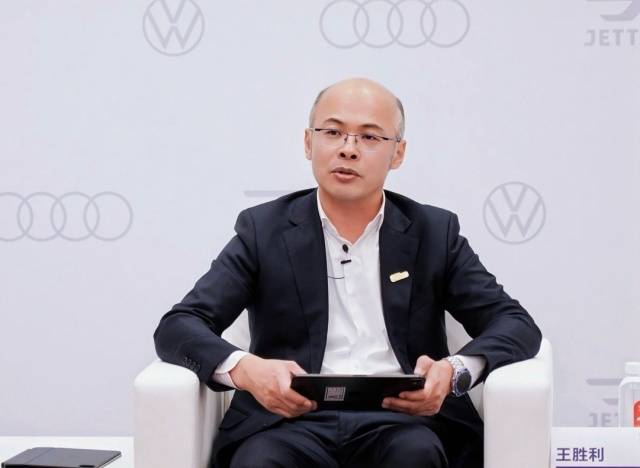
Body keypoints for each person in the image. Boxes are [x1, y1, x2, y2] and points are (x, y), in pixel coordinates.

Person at [153, 77, 542, 468]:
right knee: (259, 462)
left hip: (405, 421)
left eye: (369, 137)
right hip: (286, 421)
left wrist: (454, 372)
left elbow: (515, 324)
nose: (348, 149)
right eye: (333, 132)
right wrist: (246, 370)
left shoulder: (433, 232)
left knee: (416, 456)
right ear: (309, 142)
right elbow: (179, 325)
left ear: (398, 153)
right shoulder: (263, 230)